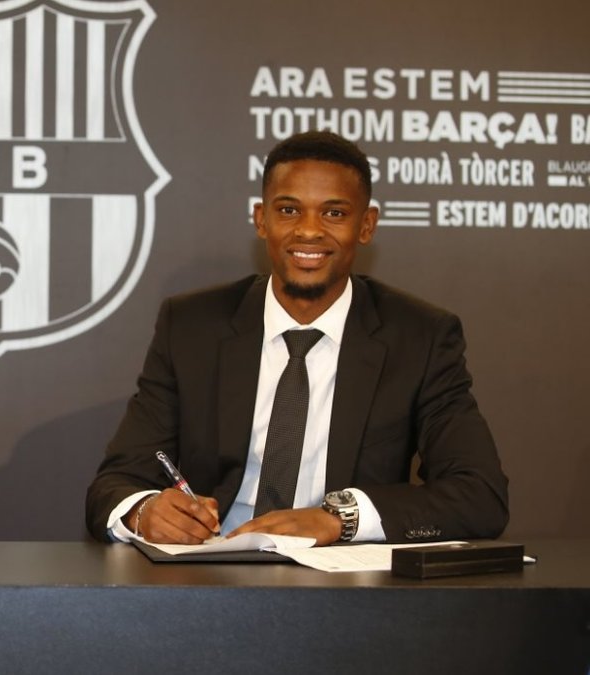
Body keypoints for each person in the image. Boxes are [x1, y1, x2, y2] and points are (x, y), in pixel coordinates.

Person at [86, 130, 508, 546]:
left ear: (366, 226)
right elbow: (115, 483)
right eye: (289, 210)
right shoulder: (192, 327)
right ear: (261, 219)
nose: (308, 231)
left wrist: (339, 519)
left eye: (334, 213)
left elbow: (480, 495)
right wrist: (144, 512)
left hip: (344, 578)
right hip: (212, 567)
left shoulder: (419, 337)